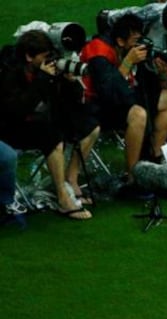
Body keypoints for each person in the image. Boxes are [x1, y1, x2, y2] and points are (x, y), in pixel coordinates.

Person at [0, 30, 99, 220]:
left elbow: (75, 102)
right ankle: (63, 199)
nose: (50, 61)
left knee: (90, 126)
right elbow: (18, 111)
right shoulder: (10, 74)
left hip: (43, 121)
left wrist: (69, 82)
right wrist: (43, 80)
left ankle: (71, 180)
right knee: (52, 136)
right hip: (11, 128)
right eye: (44, 57)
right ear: (29, 56)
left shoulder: (44, 71)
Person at [80, 13, 167, 188]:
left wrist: (162, 74)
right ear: (120, 41)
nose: (139, 45)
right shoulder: (99, 52)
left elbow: (149, 88)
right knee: (138, 114)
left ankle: (154, 158)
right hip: (97, 107)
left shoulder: (132, 49)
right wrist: (128, 62)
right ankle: (133, 176)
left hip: (123, 99)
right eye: (134, 40)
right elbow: (108, 92)